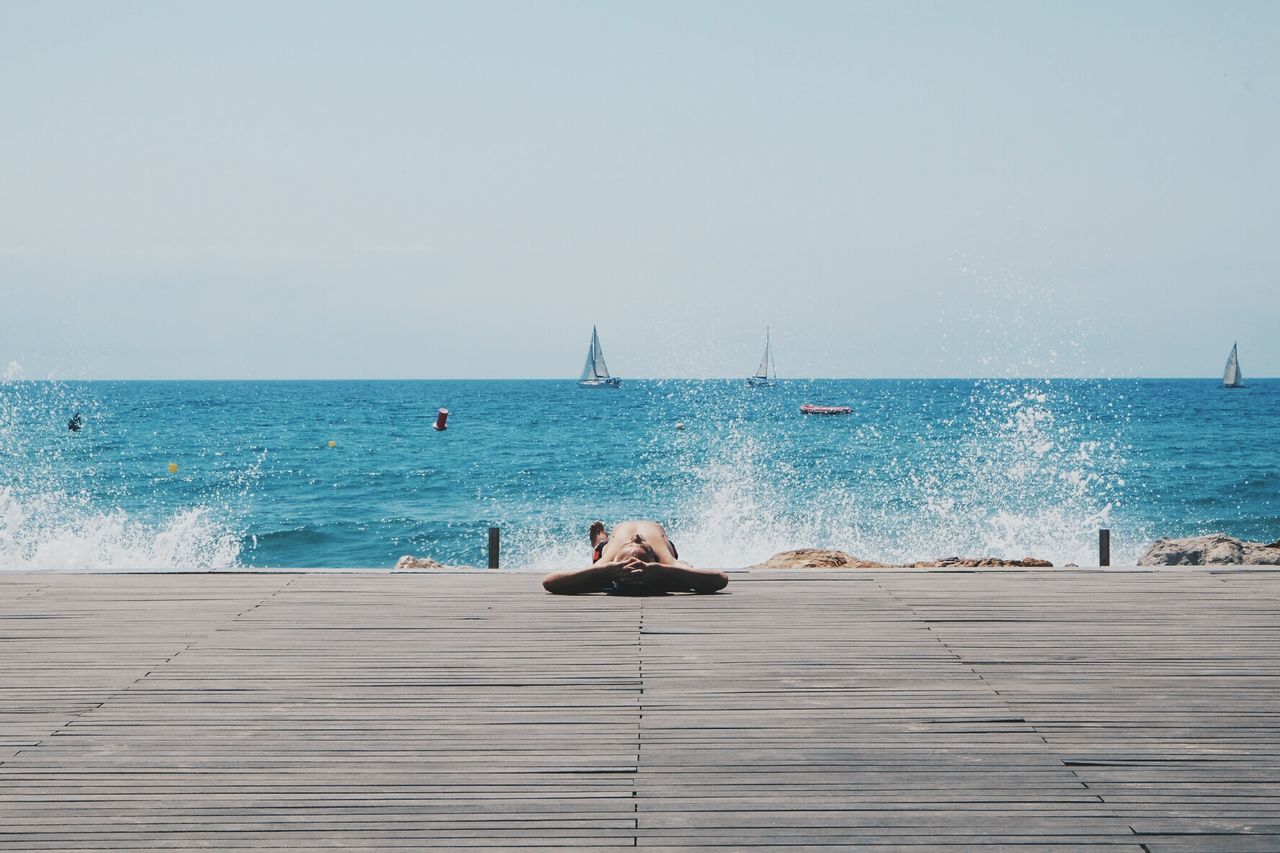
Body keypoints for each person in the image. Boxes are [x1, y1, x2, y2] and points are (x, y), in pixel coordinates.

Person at [542, 520, 728, 595]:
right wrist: (664, 570)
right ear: (653, 558)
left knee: (603, 552)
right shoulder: (665, 562)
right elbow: (720, 579)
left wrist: (605, 569)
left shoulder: (609, 565)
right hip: (666, 550)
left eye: (630, 543)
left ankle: (600, 543)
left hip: (608, 555)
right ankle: (603, 544)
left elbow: (550, 582)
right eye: (641, 545)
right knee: (682, 564)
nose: (636, 537)